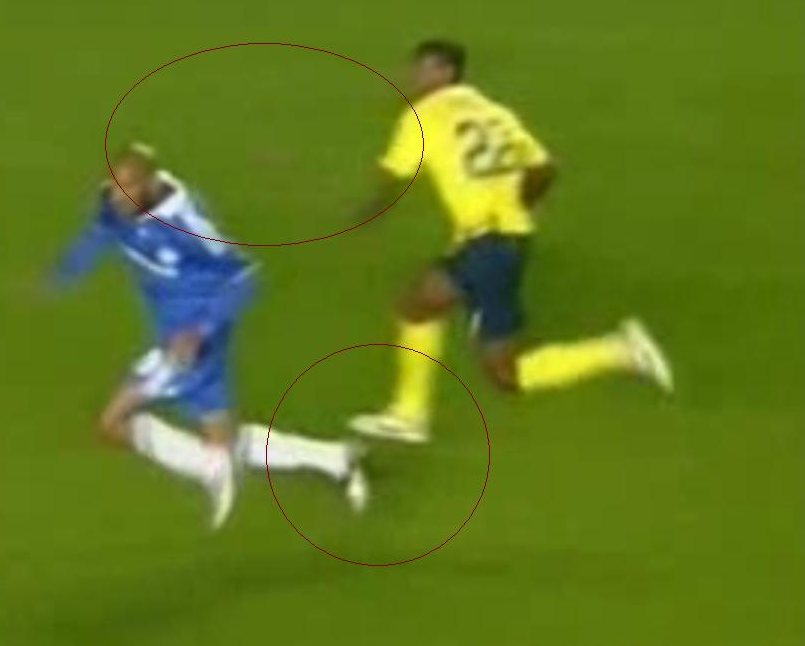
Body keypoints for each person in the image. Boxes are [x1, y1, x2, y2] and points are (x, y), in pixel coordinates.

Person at [349, 40, 673, 445]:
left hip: (489, 248)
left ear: (447, 72)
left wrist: (365, 215)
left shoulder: (424, 116)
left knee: (506, 374)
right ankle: (409, 414)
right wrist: (519, 208)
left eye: (424, 69)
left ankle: (619, 351)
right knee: (419, 305)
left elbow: (393, 178)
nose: (413, 78)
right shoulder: (492, 111)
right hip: (499, 240)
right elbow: (544, 168)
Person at [52, 143, 368, 528]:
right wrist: (63, 274)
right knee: (223, 436)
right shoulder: (114, 204)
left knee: (112, 423)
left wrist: (199, 331)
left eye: (128, 187)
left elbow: (244, 276)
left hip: (191, 342)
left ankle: (213, 470)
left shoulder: (186, 221)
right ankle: (334, 459)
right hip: (174, 336)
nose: (118, 196)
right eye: (114, 185)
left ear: (149, 183)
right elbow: (100, 230)